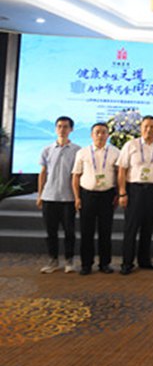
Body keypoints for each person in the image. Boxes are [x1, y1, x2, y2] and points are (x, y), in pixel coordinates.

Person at [117, 115, 153, 275]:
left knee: (148, 227)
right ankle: (127, 263)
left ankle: (144, 260)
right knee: (131, 227)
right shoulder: (130, 145)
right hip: (134, 189)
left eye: (152, 126)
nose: (149, 129)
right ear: (140, 128)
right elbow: (122, 170)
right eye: (146, 126)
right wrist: (122, 192)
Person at [71, 122, 120, 275]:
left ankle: (105, 263)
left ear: (108, 135)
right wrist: (77, 197)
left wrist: (118, 194)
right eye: (97, 132)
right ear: (91, 135)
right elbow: (76, 176)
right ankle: (86, 264)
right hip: (87, 195)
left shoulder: (115, 152)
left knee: (105, 231)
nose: (100, 135)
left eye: (103, 132)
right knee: (86, 232)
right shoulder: (82, 152)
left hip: (107, 196)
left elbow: (119, 175)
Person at [37, 116, 81, 274]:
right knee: (51, 232)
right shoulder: (47, 150)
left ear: (71, 129)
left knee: (69, 232)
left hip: (68, 198)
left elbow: (78, 175)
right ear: (56, 129)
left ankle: (69, 260)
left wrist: (77, 197)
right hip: (49, 197)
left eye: (66, 126)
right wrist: (40, 195)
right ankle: (53, 260)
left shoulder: (78, 150)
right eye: (59, 126)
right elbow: (43, 173)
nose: (62, 129)